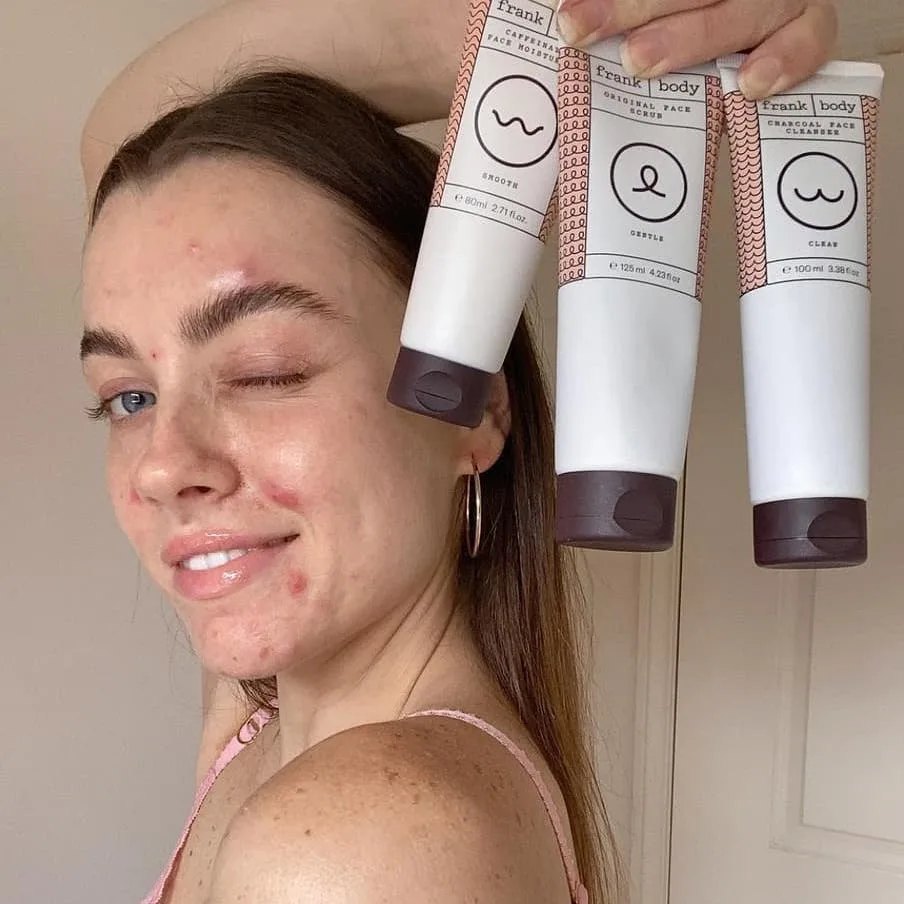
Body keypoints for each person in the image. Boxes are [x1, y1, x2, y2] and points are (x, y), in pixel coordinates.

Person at [79, 2, 838, 901]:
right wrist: (516, 30)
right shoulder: (266, 722)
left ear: (471, 409)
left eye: (265, 371)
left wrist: (572, 30)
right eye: (129, 397)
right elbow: (140, 145)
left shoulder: (352, 844)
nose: (164, 466)